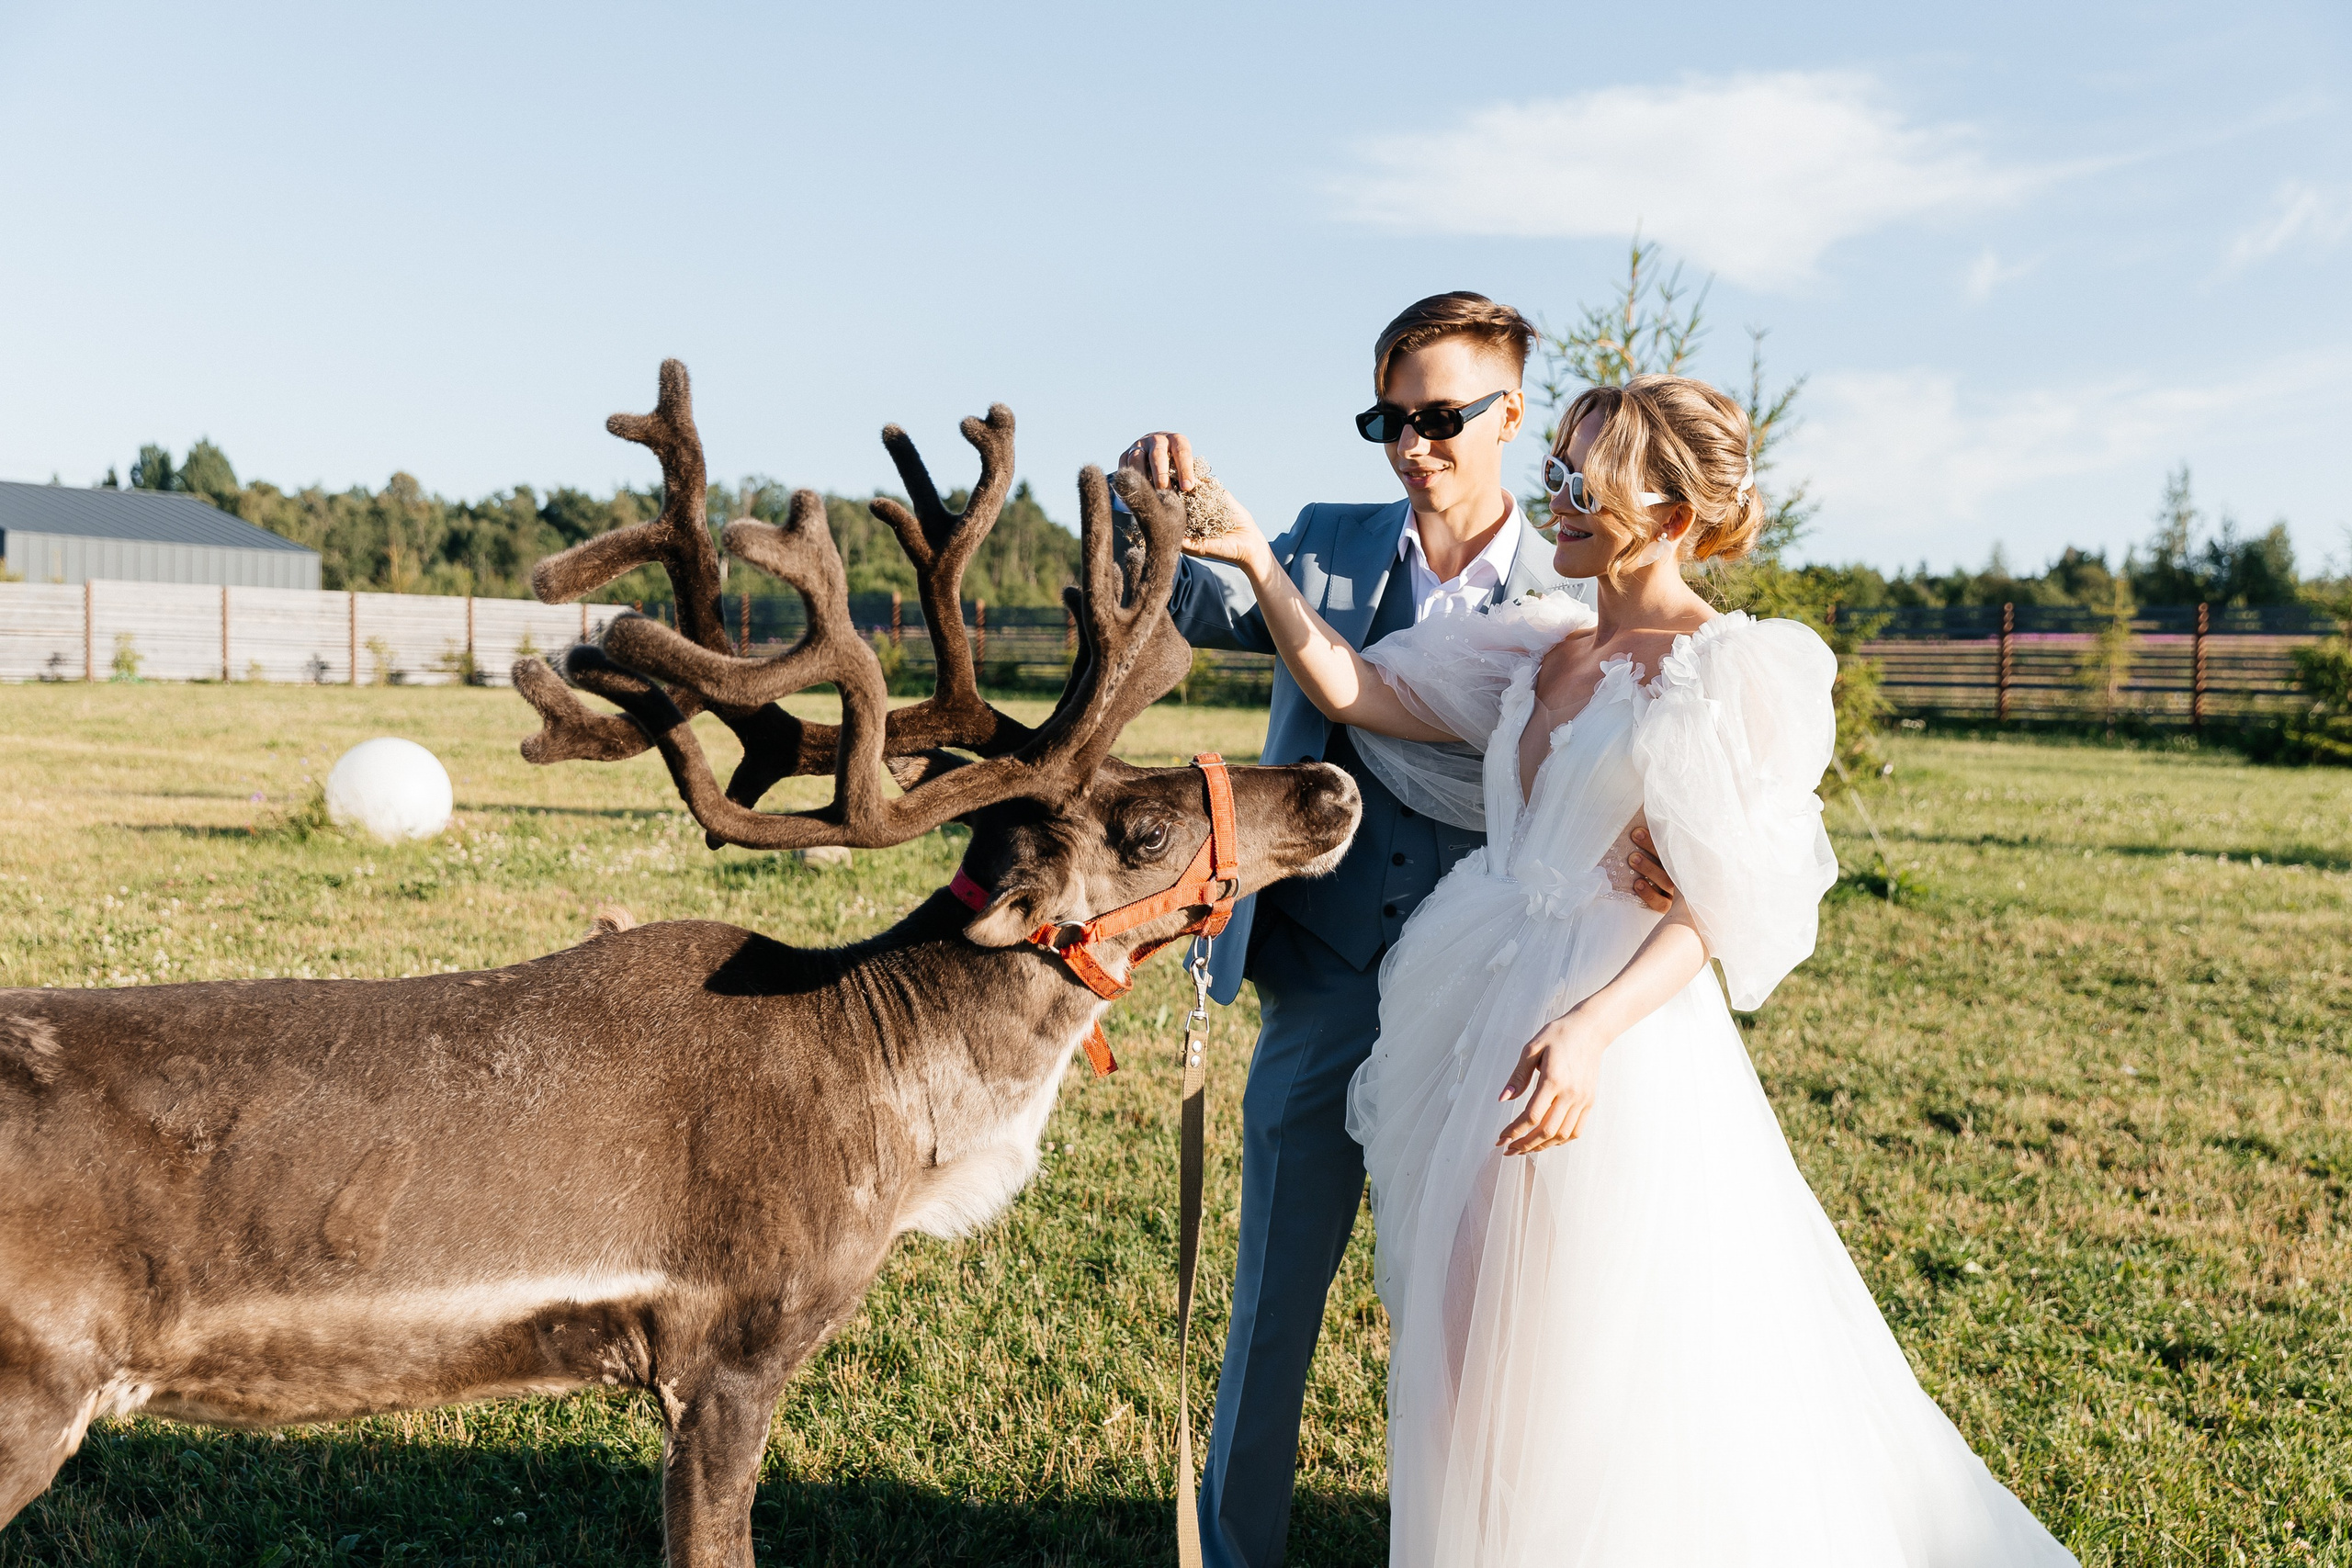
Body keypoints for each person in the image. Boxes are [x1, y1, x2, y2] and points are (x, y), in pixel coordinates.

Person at [1177, 374, 2079, 1564]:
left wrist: (1594, 1029)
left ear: (1669, 512)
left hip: (1612, 1045)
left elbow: (1726, 900)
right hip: (1482, 1003)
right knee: (1458, 1342)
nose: (1550, 497)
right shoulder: (1540, 647)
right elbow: (1358, 689)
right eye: (1553, 467)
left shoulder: (1726, 673)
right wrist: (1251, 553)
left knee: (1580, 1363)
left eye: (1578, 480)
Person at [1118, 292, 1682, 1568]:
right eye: (1390, 417)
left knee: (1486, 1314)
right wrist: (1143, 503)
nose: (1413, 445)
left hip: (1494, 1001)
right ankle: (1238, 1551)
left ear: (1511, 415)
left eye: (1441, 417)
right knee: (1272, 1302)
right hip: (1318, 978)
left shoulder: (1572, 594)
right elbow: (1191, 605)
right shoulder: (1322, 538)